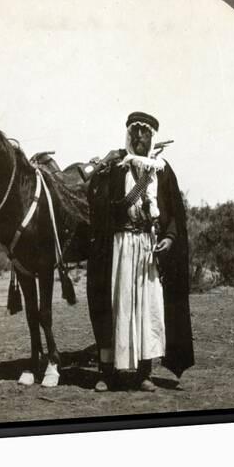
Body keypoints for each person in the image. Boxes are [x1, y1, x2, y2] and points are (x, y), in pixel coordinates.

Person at [87, 111, 194, 392]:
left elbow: (172, 214)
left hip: (148, 247)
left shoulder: (161, 170)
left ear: (152, 137)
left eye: (144, 132)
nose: (138, 137)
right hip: (119, 247)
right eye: (134, 131)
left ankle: (143, 373)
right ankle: (107, 372)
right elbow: (98, 205)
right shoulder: (116, 167)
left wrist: (169, 238)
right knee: (117, 307)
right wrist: (101, 169)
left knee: (147, 310)